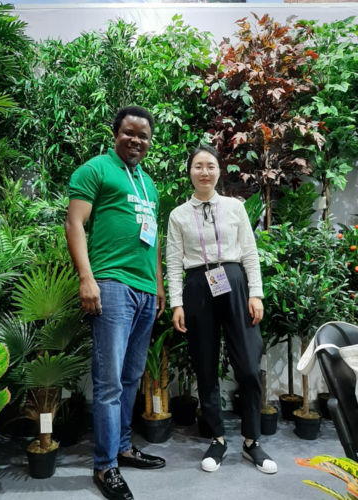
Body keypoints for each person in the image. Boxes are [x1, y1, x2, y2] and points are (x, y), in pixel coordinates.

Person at [65, 106, 166, 500]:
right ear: (115, 134)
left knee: (130, 378)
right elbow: (74, 223)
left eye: (143, 136)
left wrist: (158, 286)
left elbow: (153, 239)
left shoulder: (149, 184)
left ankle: (123, 447)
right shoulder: (96, 170)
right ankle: (105, 465)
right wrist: (86, 278)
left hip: (144, 291)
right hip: (110, 284)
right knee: (108, 382)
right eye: (129, 133)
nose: (136, 140)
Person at [166, 145, 277, 475]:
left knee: (248, 365)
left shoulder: (235, 207)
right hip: (197, 286)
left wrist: (255, 294)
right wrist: (176, 303)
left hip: (233, 281)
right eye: (198, 166)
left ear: (219, 171)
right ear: (190, 171)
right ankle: (216, 438)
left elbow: (250, 253)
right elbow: (173, 261)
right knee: (205, 365)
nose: (204, 172)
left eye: (210, 166)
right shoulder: (178, 215)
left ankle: (252, 442)